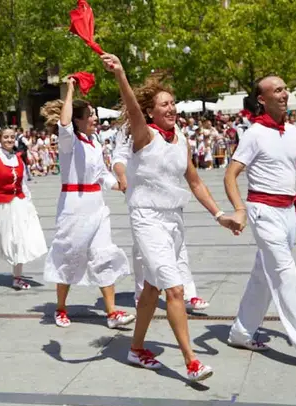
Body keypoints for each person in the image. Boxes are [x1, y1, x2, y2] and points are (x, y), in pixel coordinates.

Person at [104, 54, 238, 381]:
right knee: (175, 291)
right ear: (151, 112)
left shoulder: (181, 139)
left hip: (174, 221)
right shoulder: (144, 136)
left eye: (173, 103)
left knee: (152, 289)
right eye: (164, 104)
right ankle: (191, 362)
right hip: (147, 219)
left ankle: (136, 348)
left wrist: (220, 214)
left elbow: (195, 181)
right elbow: (132, 109)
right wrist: (120, 74)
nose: (171, 108)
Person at [223, 76, 296, 369]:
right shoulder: (254, 133)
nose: (284, 93)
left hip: (289, 212)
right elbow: (230, 175)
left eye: (285, 89)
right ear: (261, 99)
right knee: (285, 274)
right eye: (277, 90)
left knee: (263, 276)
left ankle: (240, 332)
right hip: (263, 212)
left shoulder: (291, 130)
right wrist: (239, 209)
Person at [41, 77, 134, 330]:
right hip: (74, 206)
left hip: (97, 205)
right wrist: (70, 89)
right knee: (69, 255)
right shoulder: (69, 142)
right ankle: (61, 308)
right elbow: (64, 123)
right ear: (78, 120)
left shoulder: (94, 143)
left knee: (103, 254)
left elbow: (101, 174)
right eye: (90, 115)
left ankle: (112, 312)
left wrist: (118, 184)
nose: (95, 119)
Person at [111, 125, 211, 312]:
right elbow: (118, 158)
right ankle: (141, 294)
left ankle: (188, 294)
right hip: (145, 201)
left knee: (179, 248)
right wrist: (122, 175)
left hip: (170, 199)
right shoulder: (129, 128)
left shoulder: (174, 130)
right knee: (141, 252)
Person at [0, 127, 47, 290]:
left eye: (12, 137)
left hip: (17, 204)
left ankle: (17, 277)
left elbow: (23, 185)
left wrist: (31, 206)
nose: (9, 140)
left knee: (18, 240)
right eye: (6, 137)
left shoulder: (18, 160)